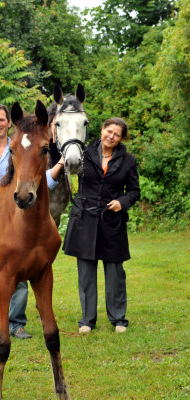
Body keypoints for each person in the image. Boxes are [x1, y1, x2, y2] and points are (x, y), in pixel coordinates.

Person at [0, 103, 65, 343]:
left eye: (1, 120)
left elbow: (35, 179)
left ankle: (17, 323)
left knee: (20, 279)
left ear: (9, 123)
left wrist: (60, 166)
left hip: (18, 220)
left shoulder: (24, 144)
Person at [63, 117, 140, 334]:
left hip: (112, 222)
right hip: (84, 219)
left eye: (117, 134)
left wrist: (122, 203)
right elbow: (64, 165)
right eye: (109, 131)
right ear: (102, 130)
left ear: (121, 138)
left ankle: (118, 319)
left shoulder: (128, 161)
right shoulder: (84, 153)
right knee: (86, 273)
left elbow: (134, 191)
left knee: (115, 272)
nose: (111, 136)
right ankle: (87, 320)